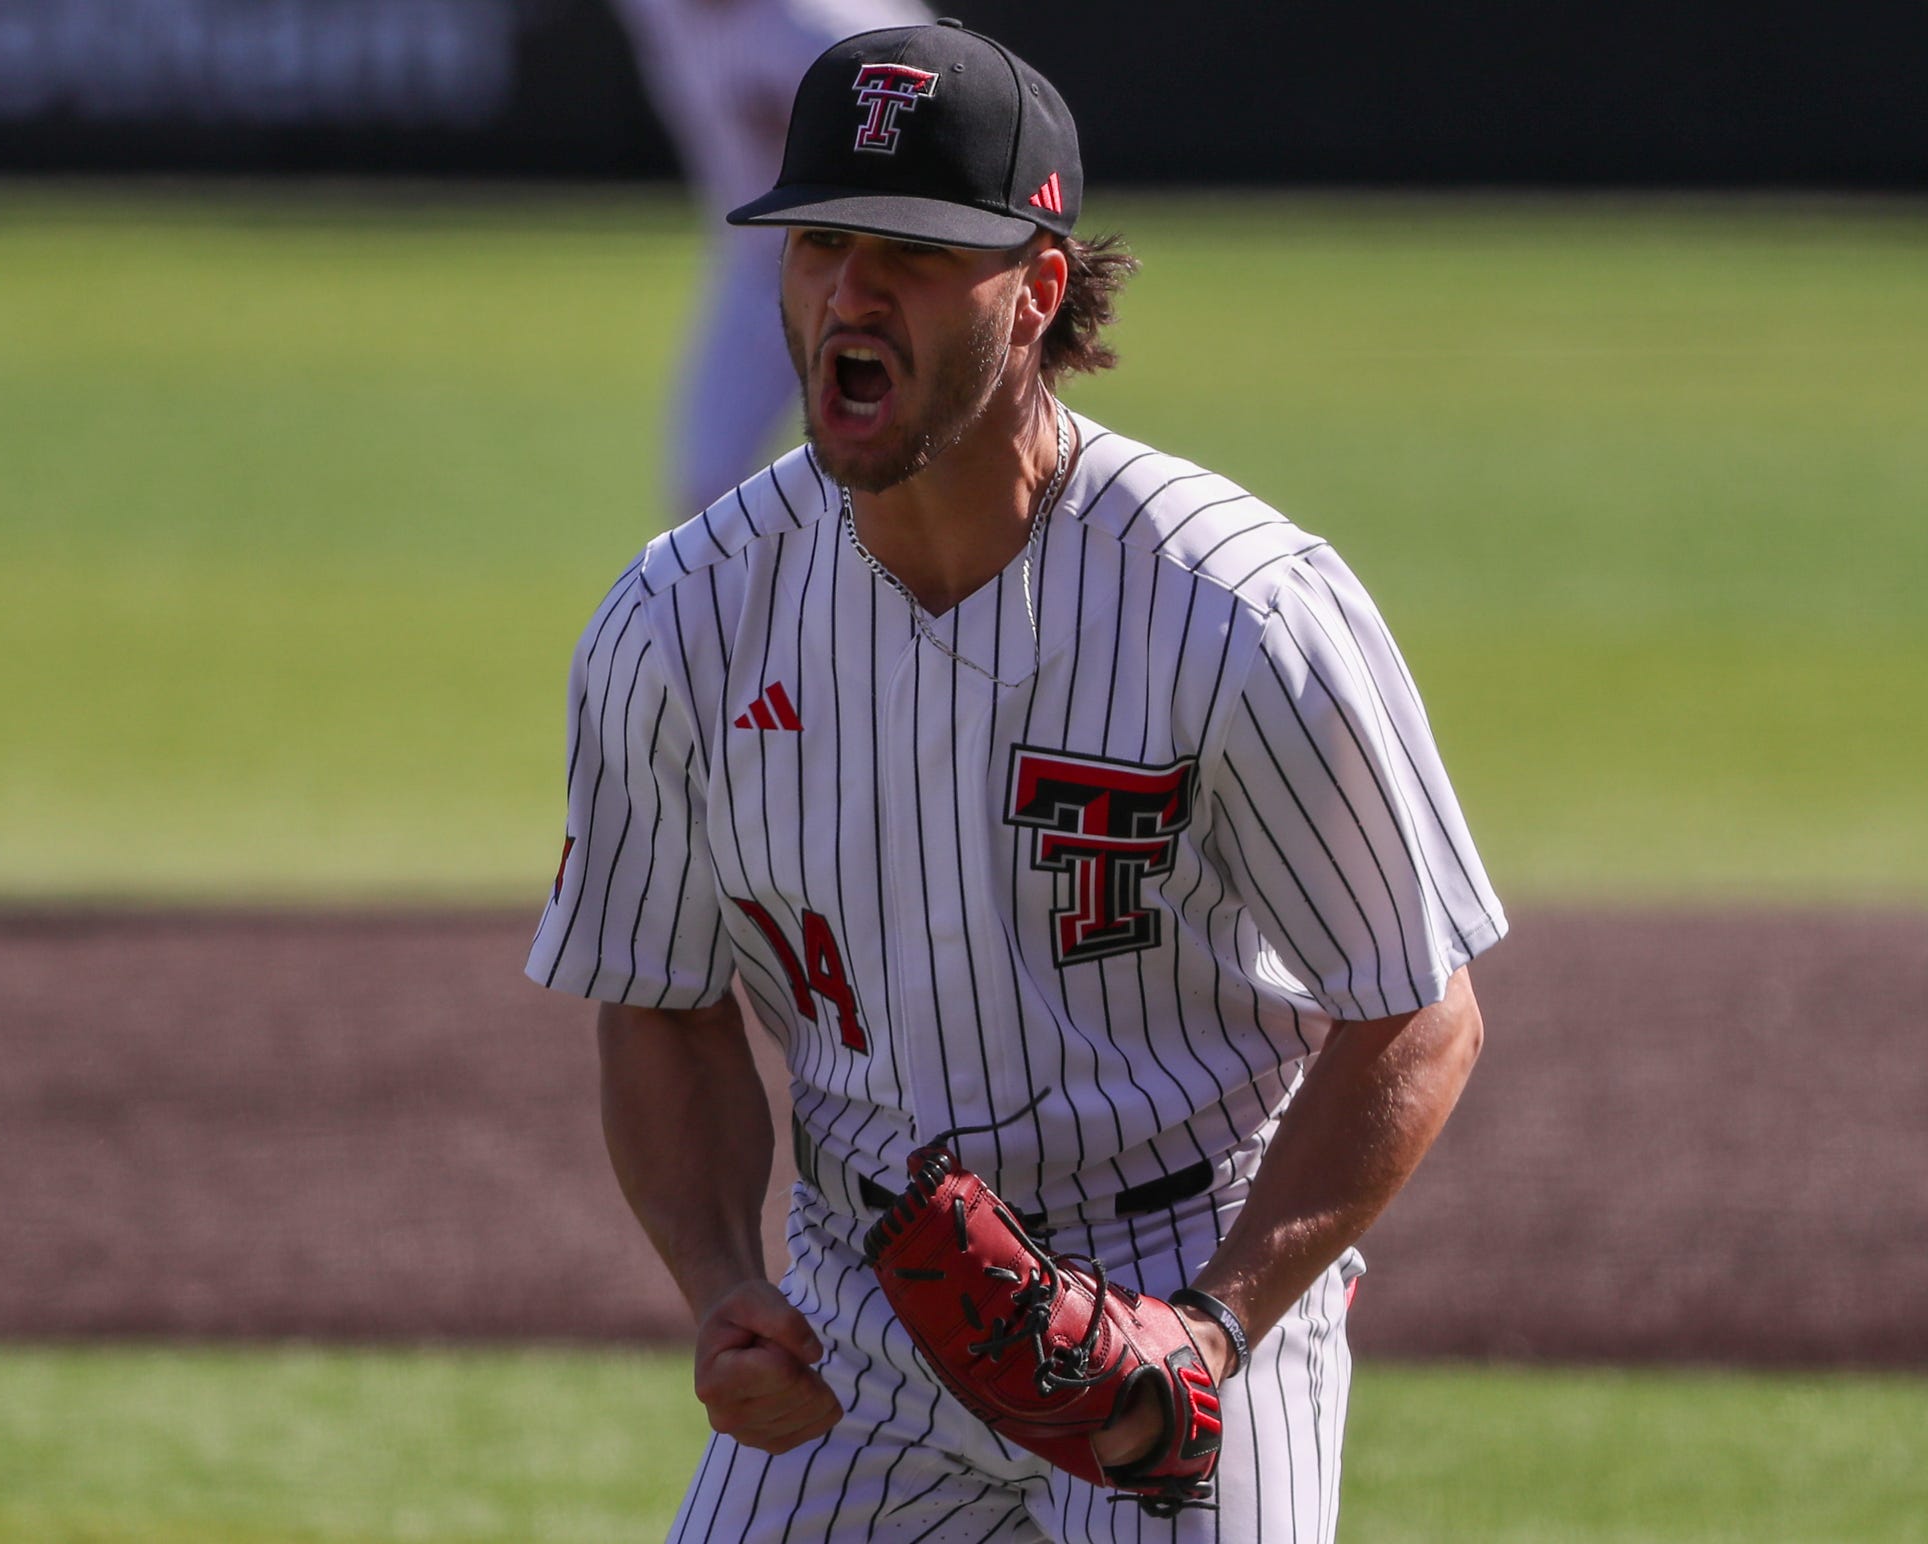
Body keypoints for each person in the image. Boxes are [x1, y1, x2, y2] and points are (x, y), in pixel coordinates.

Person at [528, 19, 1507, 1541]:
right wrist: (722, 1284)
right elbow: (659, 997)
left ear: (1037, 291)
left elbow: (1417, 1013)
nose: (848, 295)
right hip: (859, 1296)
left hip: (1177, 1275)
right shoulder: (680, 621)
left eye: (911, 254)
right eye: (819, 243)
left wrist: (1216, 1325)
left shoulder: (1240, 610)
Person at [605, 0, 931, 519]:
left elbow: (942, 109)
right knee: (706, 493)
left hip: (865, 279)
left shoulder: (830, 30)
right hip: (753, 271)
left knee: (905, 484)